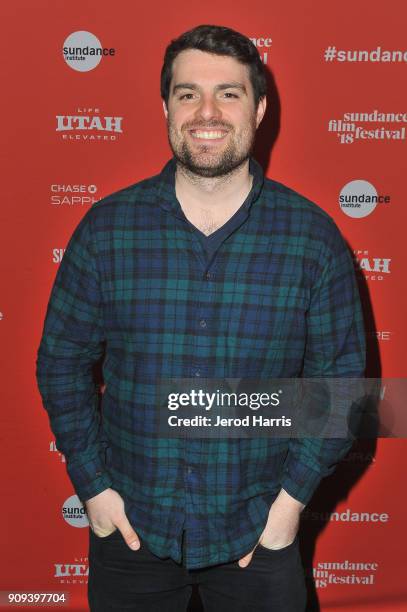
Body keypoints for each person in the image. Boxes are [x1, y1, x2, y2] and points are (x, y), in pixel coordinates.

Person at [36, 24, 366, 612]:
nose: (206, 111)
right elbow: (60, 364)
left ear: (260, 108)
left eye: (229, 93)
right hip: (132, 529)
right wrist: (95, 490)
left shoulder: (313, 240)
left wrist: (288, 508)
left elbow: (340, 388)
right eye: (188, 93)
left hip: (259, 531)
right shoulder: (107, 229)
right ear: (166, 105)